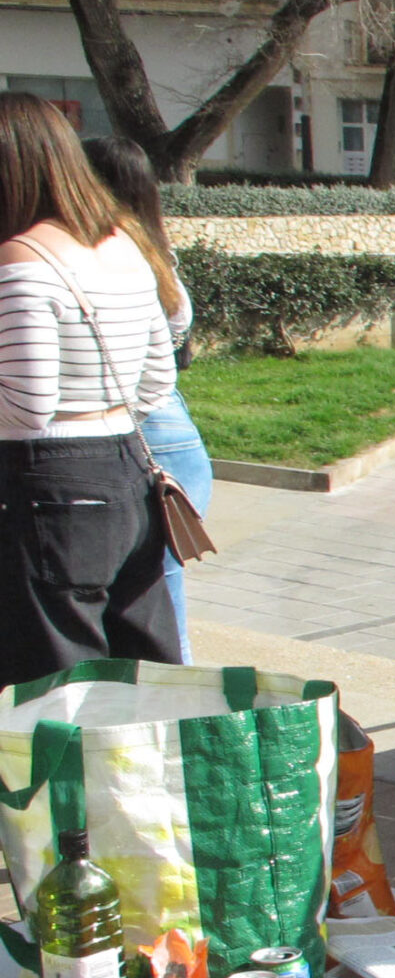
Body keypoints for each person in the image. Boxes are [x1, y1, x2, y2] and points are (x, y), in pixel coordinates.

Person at [0, 93, 180, 689]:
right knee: (142, 669)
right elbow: (158, 375)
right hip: (128, 469)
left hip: (52, 483)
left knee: (56, 683)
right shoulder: (121, 244)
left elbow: (27, 408)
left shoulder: (20, 257)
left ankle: (65, 787)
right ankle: (152, 779)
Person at [83, 135, 210, 665]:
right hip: (173, 430)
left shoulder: (98, 252)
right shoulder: (154, 251)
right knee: (160, 598)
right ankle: (171, 710)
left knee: (133, 605)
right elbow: (175, 336)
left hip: (133, 433)